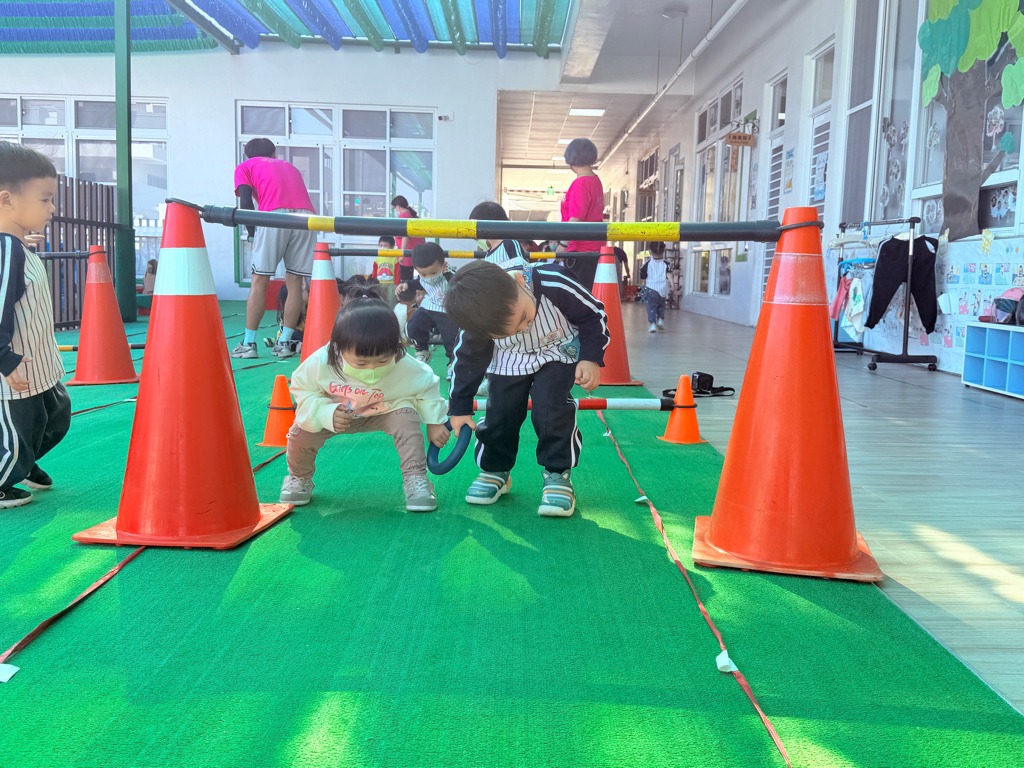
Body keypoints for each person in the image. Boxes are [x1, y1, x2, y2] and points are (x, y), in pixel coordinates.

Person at [445, 259, 609, 518]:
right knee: (501, 411)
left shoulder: (555, 283)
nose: (524, 327)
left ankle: (558, 474)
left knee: (550, 407)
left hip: (557, 351)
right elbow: (466, 361)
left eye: (523, 317)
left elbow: (593, 315)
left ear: (519, 282)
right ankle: (495, 470)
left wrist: (590, 358)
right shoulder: (478, 320)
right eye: (508, 332)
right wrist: (459, 408)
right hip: (510, 358)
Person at [279, 293, 450, 512]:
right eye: (361, 363)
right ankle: (299, 477)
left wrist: (435, 422)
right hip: (336, 416)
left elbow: (427, 386)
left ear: (396, 347)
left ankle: (416, 478)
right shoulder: (322, 361)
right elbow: (302, 387)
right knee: (301, 432)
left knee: (406, 418)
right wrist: (324, 412)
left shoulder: (405, 364)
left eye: (382, 360)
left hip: (385, 411)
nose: (372, 368)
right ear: (338, 347)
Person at [0, 142, 71, 509]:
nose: (52, 208)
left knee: (56, 417)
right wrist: (5, 359)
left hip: (38, 365)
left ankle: (21, 463)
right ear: (7, 199)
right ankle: (5, 475)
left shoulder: (15, 247)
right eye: (45, 200)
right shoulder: (6, 251)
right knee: (18, 432)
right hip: (15, 368)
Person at [231, 138, 317, 360]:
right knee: (295, 282)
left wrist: (252, 233)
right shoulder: (290, 166)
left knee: (260, 280)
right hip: (307, 216)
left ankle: (249, 344)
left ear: (247, 154)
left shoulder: (245, 166)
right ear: (273, 153)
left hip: (273, 214)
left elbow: (246, 203)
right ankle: (285, 343)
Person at [399, 243, 459, 378]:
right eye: (423, 274)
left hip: (447, 310)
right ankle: (422, 351)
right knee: (412, 326)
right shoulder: (423, 275)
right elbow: (419, 282)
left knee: (452, 338)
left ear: (443, 265)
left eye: (433, 273)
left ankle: (453, 363)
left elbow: (460, 285)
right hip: (429, 306)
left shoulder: (451, 275)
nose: (428, 278)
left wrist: (448, 276)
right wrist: (406, 284)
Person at [555, 138, 605, 290]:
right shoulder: (595, 181)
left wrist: (563, 245)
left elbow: (576, 218)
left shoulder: (581, 184)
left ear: (571, 158)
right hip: (594, 246)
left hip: (580, 248)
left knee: (577, 293)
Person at [639, 241, 668, 332]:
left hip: (651, 288)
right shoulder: (666, 263)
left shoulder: (648, 263)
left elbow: (642, 274)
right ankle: (660, 320)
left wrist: (644, 280)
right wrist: (673, 284)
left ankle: (652, 324)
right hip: (663, 288)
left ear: (650, 251)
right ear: (664, 251)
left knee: (651, 306)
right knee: (661, 305)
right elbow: (670, 274)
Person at [371, 235, 400, 308]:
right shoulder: (378, 259)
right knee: (381, 300)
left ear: (392, 247)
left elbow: (397, 273)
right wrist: (373, 282)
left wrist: (397, 284)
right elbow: (374, 272)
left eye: (385, 246)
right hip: (380, 284)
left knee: (391, 301)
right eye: (381, 245)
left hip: (391, 284)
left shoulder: (395, 259)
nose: (383, 248)